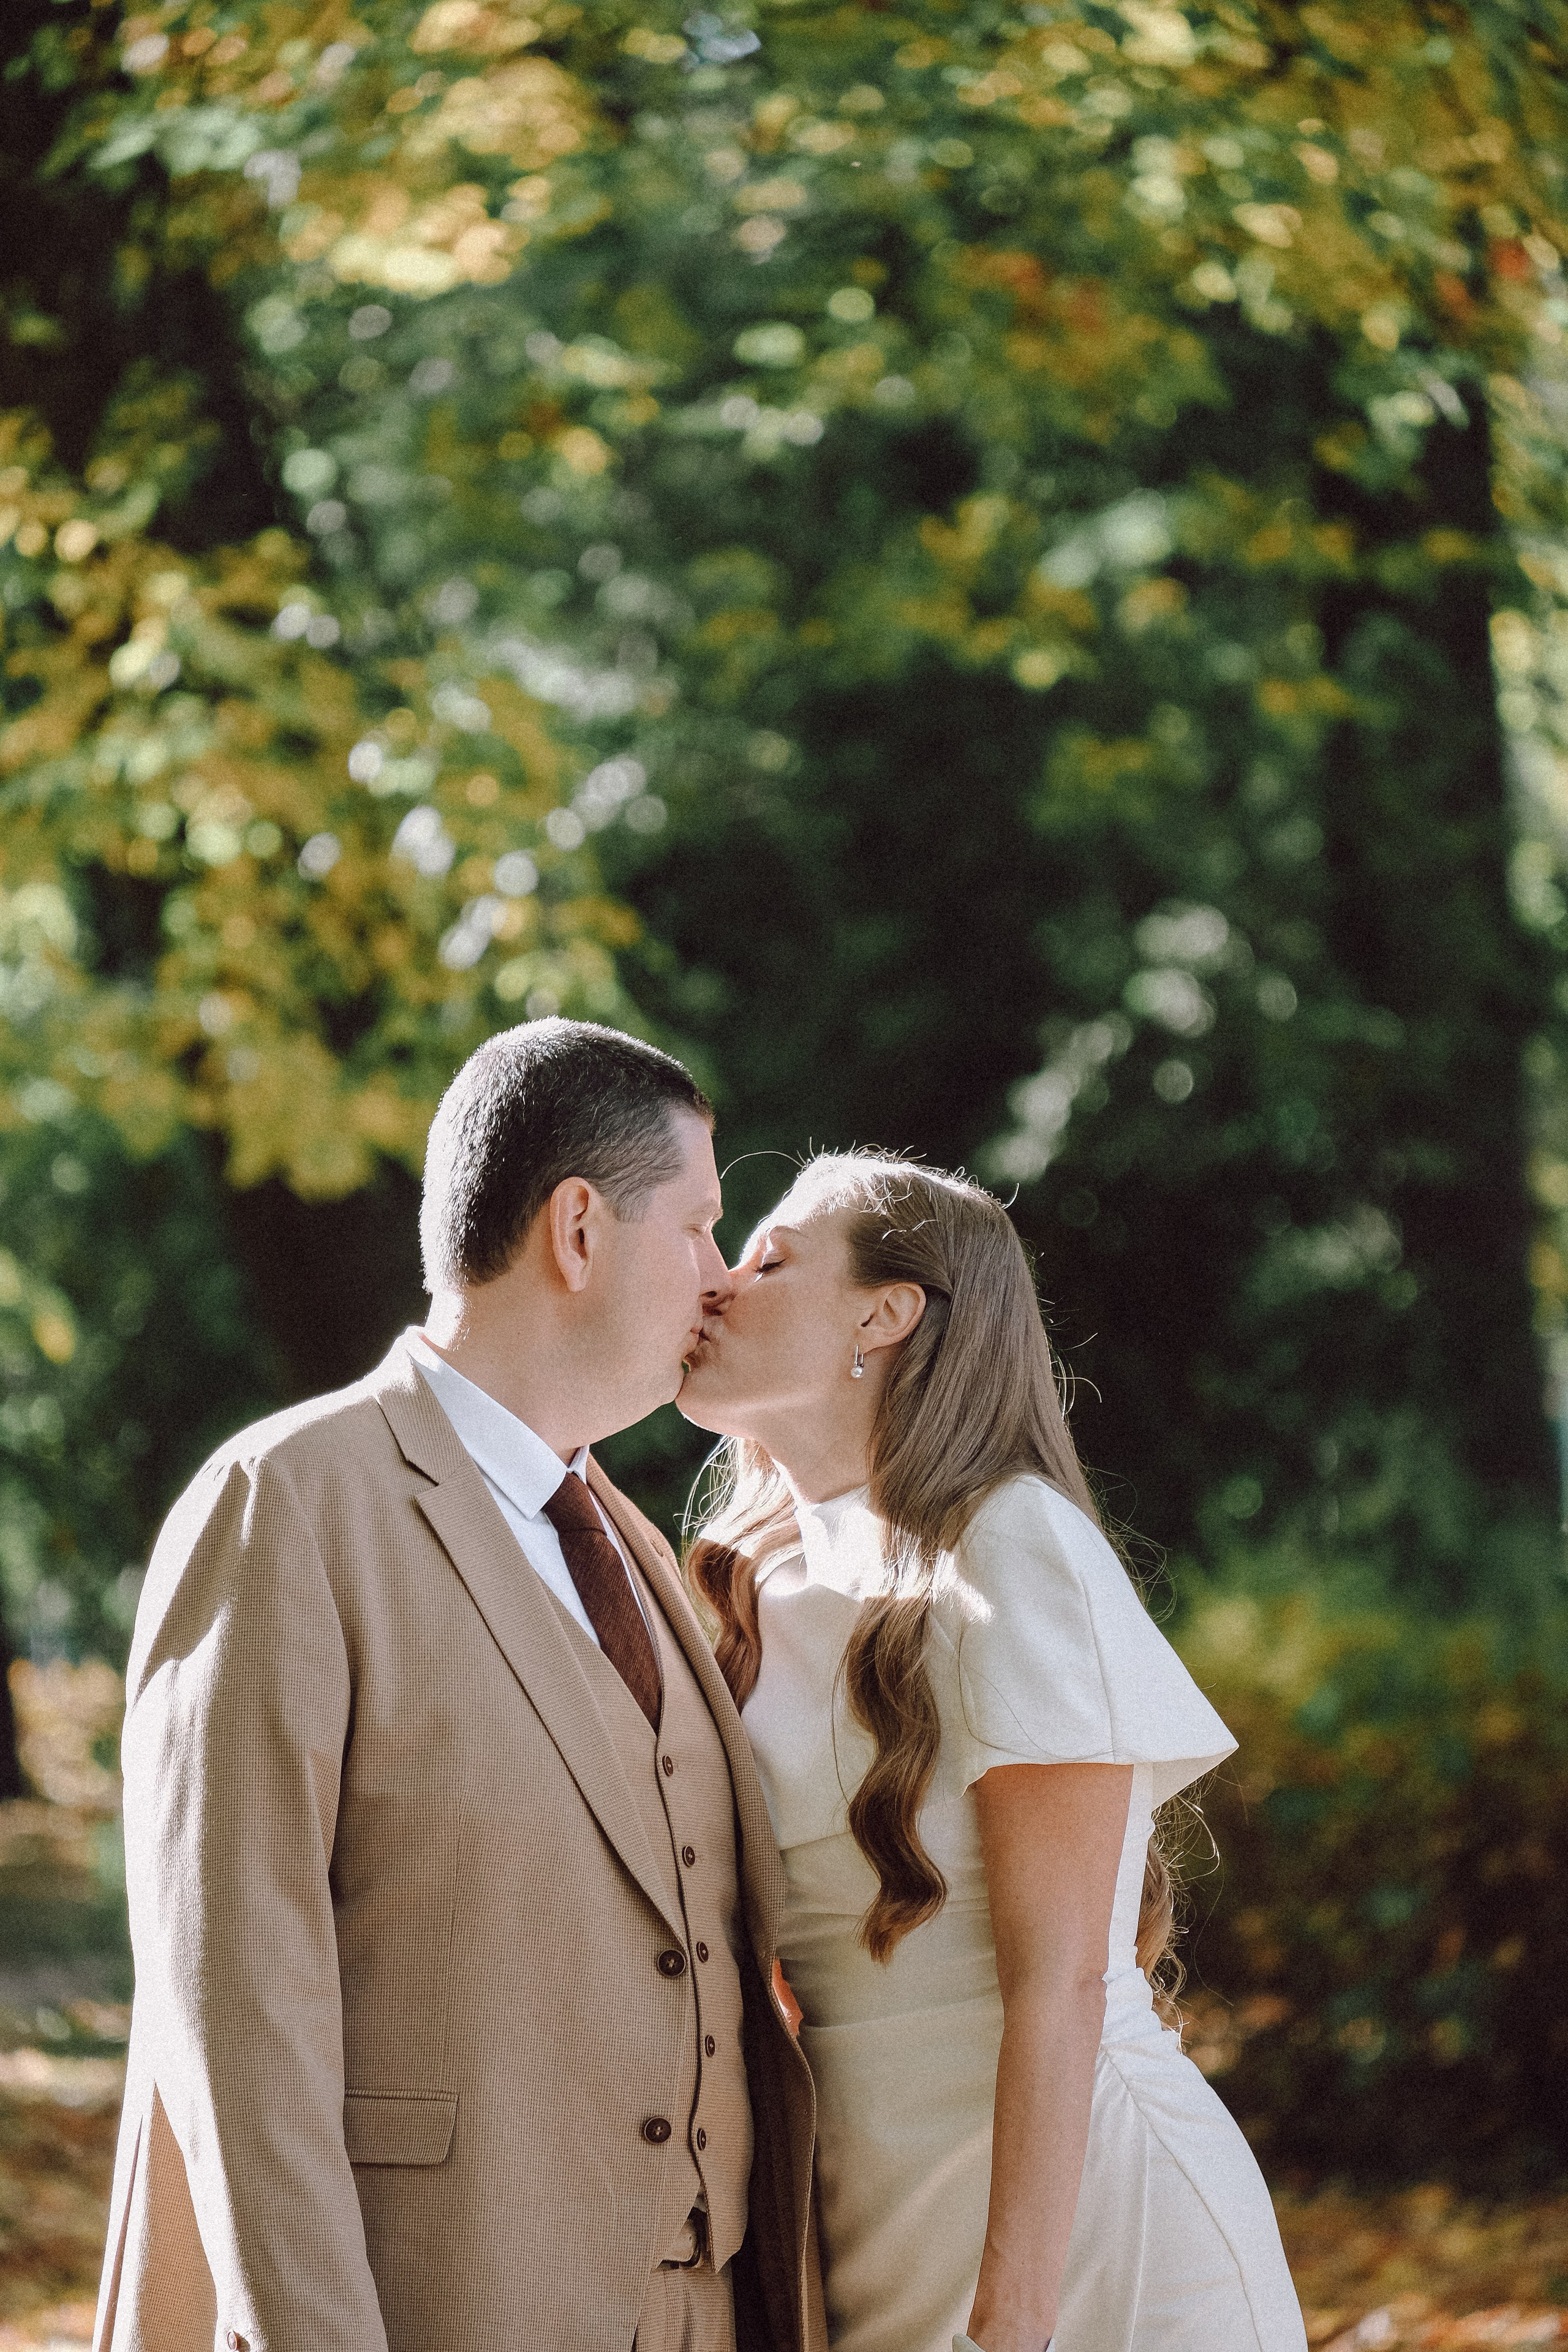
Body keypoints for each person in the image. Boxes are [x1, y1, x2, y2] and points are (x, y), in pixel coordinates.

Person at [93, 1019, 824, 2352]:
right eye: (700, 1229)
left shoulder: (637, 1547)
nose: (719, 1280)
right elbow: (233, 2018)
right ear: (579, 1230)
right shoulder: (288, 1504)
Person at [679, 1151, 1308, 2352]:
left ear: (884, 1310)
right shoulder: (742, 1588)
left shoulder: (1012, 1550)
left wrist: (1007, 2326)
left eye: (766, 1259)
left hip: (1089, 2252)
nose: (716, 1285)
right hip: (875, 2237)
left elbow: (1061, 1982)